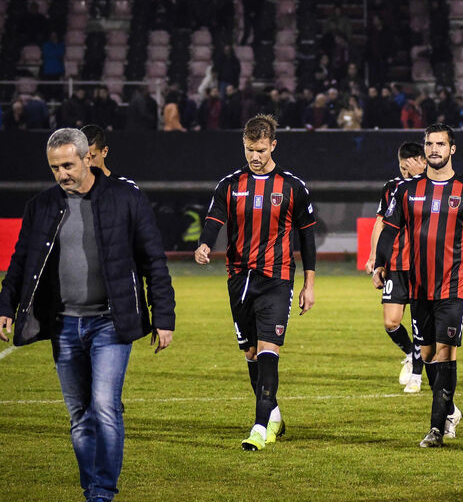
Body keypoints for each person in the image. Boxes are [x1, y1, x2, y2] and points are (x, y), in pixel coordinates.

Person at [0, 128, 175, 501]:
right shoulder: (41, 206)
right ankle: (92, 488)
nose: (62, 173)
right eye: (54, 167)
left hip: (111, 322)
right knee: (80, 416)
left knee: (105, 407)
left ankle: (102, 493)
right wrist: (6, 306)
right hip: (63, 324)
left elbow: (153, 261)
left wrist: (164, 316)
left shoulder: (126, 198)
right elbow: (21, 261)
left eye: (68, 164)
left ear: (87, 159)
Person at [373, 123, 463, 447]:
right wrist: (380, 263)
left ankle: (436, 429)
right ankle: (449, 409)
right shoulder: (407, 191)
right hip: (418, 286)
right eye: (429, 144)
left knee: (445, 352)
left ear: (452, 149)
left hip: (453, 286)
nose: (434, 149)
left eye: (440, 144)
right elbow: (390, 230)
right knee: (426, 354)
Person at [195, 114, 317, 451]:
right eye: (250, 149)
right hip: (239, 279)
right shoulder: (230, 185)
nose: (255, 156)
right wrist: (205, 244)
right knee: (250, 352)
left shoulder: (292, 187)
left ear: (273, 145)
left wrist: (309, 282)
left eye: (261, 149)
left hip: (276, 279)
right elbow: (214, 219)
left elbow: (307, 238)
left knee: (268, 350)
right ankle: (273, 412)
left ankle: (260, 427)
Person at [365, 143, 427, 392]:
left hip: (423, 265)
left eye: (409, 165)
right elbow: (380, 224)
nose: (405, 171)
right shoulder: (391, 188)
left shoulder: (431, 186)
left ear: (422, 161)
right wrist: (374, 257)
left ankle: (418, 376)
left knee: (418, 322)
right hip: (395, 264)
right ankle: (413, 354)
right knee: (391, 322)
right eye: (402, 166)